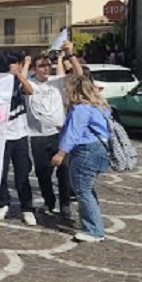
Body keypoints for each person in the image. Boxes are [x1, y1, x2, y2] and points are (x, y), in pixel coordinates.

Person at [26, 43, 82, 220]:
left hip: (59, 135)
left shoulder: (56, 82)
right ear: (35, 69)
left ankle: (65, 205)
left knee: (64, 171)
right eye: (42, 66)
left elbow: (79, 75)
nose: (46, 68)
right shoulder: (30, 84)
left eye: (48, 65)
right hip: (38, 137)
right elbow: (21, 80)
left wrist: (70, 54)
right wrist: (26, 63)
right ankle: (49, 202)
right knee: (43, 173)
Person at [52, 74, 111, 243]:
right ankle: (94, 225)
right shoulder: (99, 106)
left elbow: (74, 133)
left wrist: (61, 153)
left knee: (82, 190)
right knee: (88, 189)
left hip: (85, 151)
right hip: (99, 149)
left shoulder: (80, 109)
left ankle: (94, 230)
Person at [0, 51, 37, 226]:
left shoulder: (20, 81)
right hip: (1, 135)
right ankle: (2, 203)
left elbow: (30, 90)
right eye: (16, 63)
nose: (19, 65)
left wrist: (19, 75)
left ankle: (27, 208)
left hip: (20, 134)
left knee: (22, 173)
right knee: (0, 173)